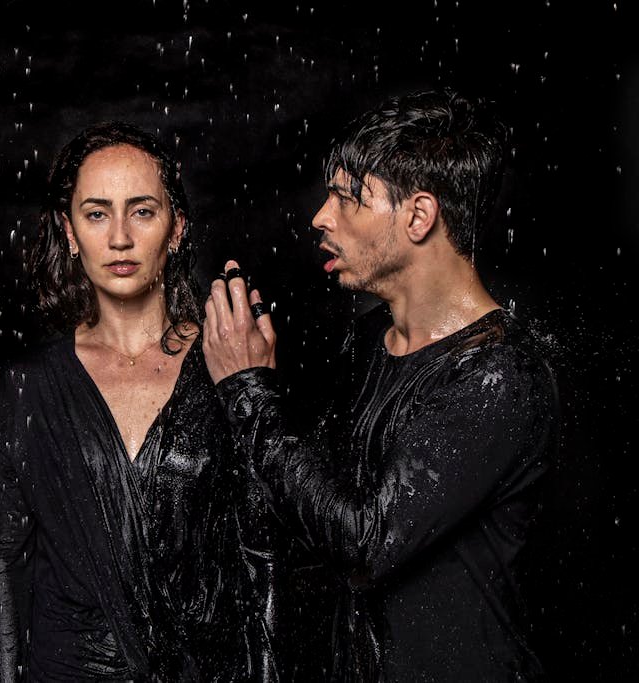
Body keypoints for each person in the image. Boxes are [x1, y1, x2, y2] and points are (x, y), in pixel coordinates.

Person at [203, 90, 559, 680]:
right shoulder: (369, 341)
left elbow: (367, 543)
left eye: (349, 198)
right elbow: (311, 514)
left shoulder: (500, 376)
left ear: (419, 217)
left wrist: (248, 391)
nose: (321, 216)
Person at [0, 121, 280, 681]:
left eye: (142, 211)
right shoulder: (26, 385)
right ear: (69, 231)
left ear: (176, 229)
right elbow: (6, 565)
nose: (119, 237)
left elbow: (261, 554)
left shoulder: (229, 365)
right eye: (96, 213)